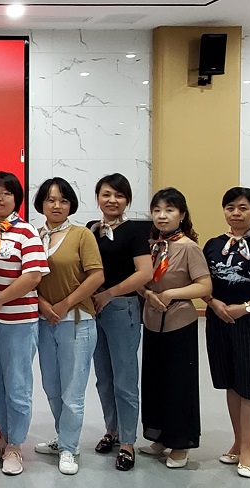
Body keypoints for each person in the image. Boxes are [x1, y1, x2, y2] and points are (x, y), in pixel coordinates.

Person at [0, 171, 49, 476]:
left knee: (17, 385)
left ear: (16, 198)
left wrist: (0, 299)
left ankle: (16, 445)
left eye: (6, 193)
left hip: (18, 322)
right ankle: (4, 437)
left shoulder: (26, 232)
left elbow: (33, 276)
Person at [32, 178, 104, 475]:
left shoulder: (81, 235)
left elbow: (97, 276)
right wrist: (42, 305)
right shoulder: (35, 235)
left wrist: (64, 305)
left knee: (72, 391)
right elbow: (28, 277)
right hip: (43, 321)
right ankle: (63, 436)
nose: (56, 205)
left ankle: (69, 448)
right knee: (52, 386)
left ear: (71, 204)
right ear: (41, 204)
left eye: (63, 200)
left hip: (76, 321)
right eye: (50, 200)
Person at [136, 187, 211, 469]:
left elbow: (204, 286)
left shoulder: (189, 247)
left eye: (169, 210)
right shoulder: (151, 245)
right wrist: (147, 293)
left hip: (179, 321)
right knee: (155, 381)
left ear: (181, 214)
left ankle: (180, 443)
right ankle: (159, 437)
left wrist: (171, 294)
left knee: (179, 384)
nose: (162, 216)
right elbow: (141, 279)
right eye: (157, 210)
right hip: (152, 321)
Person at [86, 173, 153, 471]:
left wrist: (109, 293)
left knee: (124, 379)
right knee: (103, 377)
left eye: (119, 195)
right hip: (93, 309)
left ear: (127, 200)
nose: (112, 200)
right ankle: (111, 430)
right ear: (97, 198)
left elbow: (144, 273)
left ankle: (127, 441)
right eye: (106, 194)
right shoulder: (91, 229)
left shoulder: (135, 231)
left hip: (121, 308)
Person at [204, 187, 250, 478]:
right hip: (218, 321)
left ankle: (249, 449)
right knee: (231, 384)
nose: (236, 213)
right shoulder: (213, 245)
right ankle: (238, 441)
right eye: (230, 208)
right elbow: (202, 282)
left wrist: (245, 309)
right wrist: (212, 303)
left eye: (243, 208)